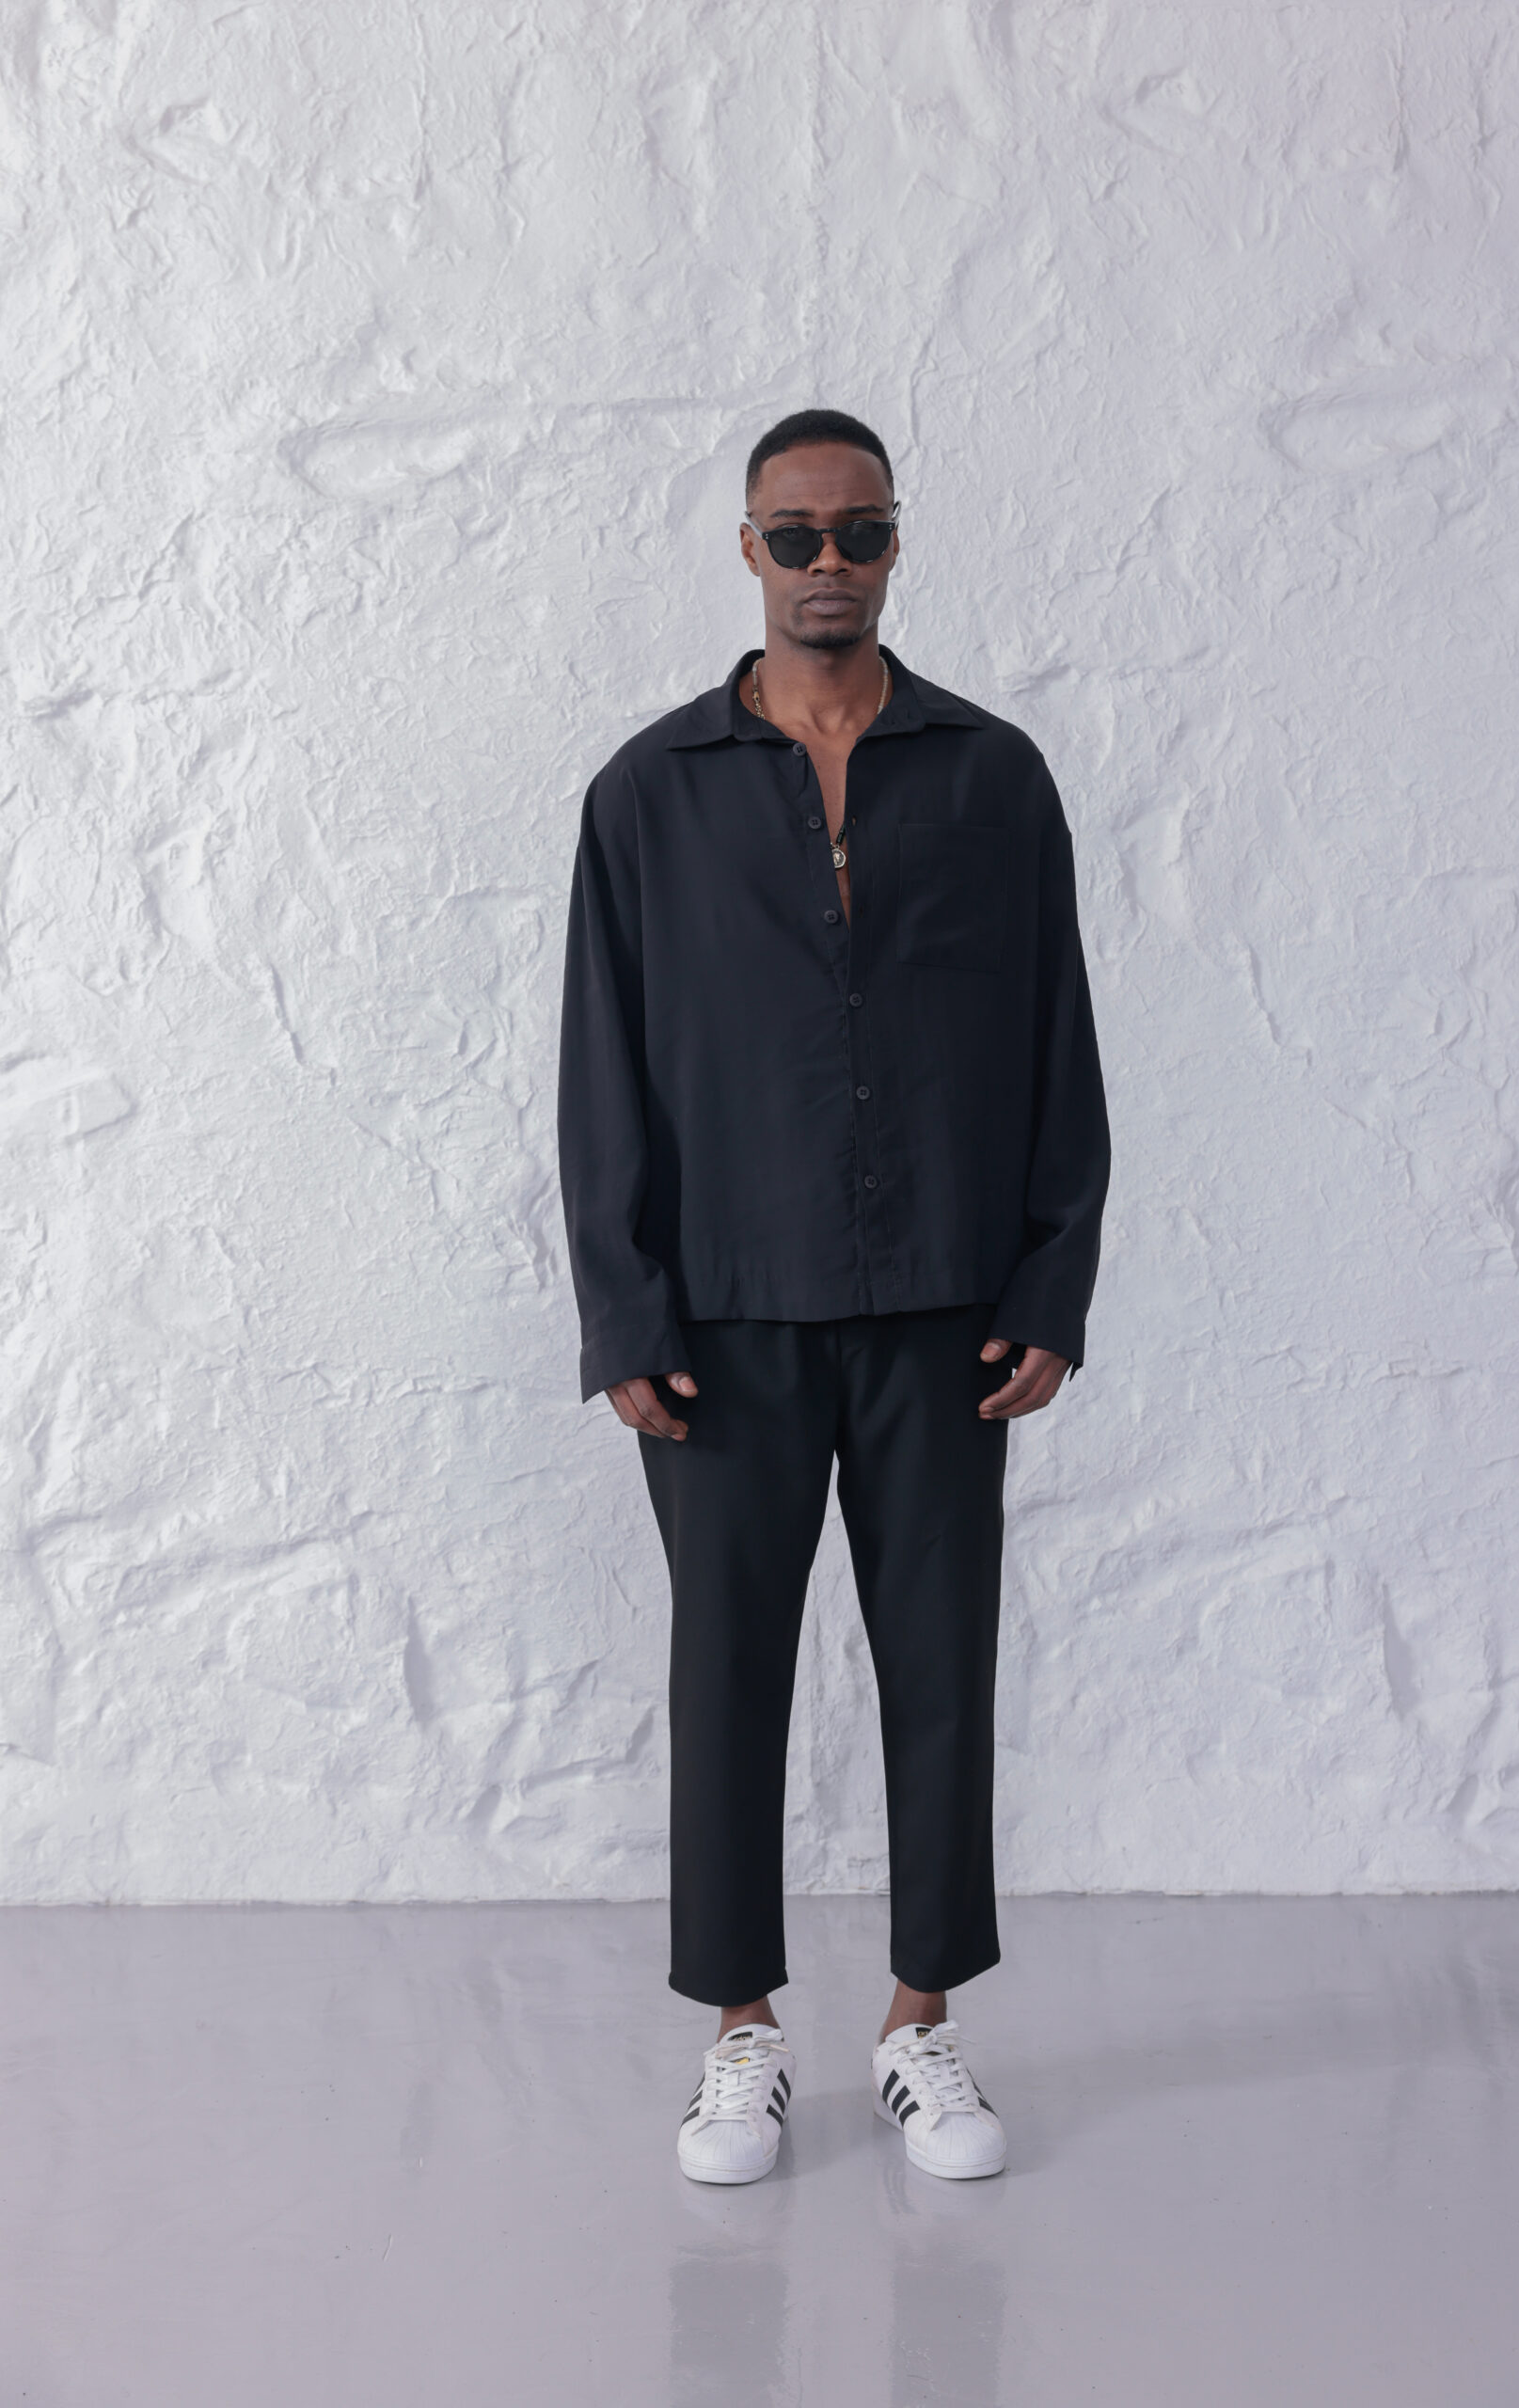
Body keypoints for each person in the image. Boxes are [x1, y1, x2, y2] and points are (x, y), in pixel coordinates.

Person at [557, 407, 1110, 2185]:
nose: (825, 563)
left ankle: (920, 2023)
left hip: (948, 1306)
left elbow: (1058, 1037)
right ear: (746, 549)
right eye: (792, 535)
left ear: (893, 541)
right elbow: (602, 1071)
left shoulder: (994, 777)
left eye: (856, 531)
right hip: (724, 1314)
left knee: (940, 1661)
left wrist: (1053, 1278)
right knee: (728, 1671)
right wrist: (625, 1314)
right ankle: (741, 2035)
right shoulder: (648, 793)